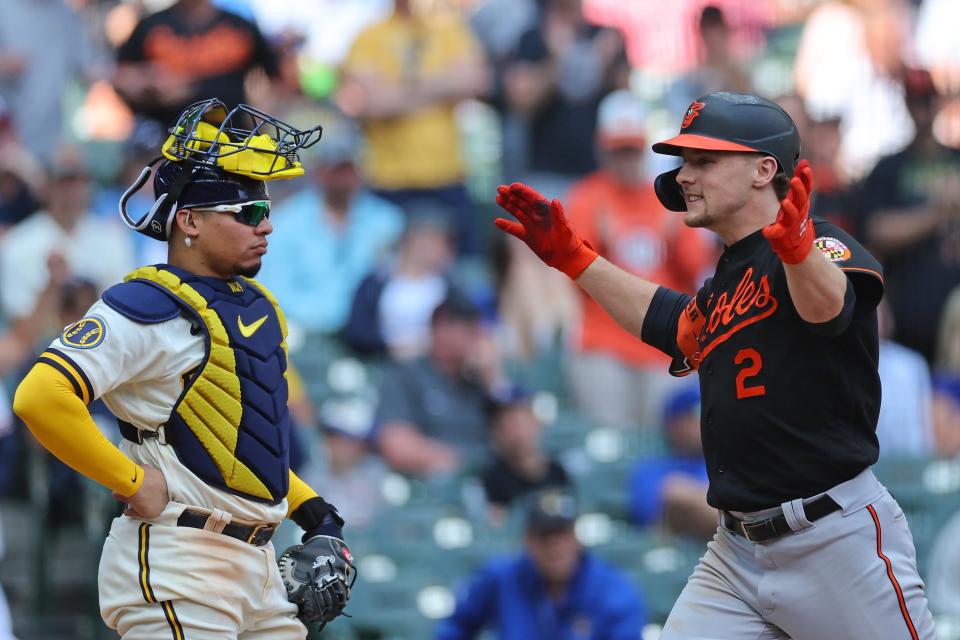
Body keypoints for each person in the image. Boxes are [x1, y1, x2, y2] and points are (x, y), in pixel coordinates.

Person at [494, 91, 936, 639]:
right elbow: (672, 325)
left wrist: (799, 250)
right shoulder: (725, 281)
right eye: (684, 162)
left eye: (704, 160)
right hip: (736, 553)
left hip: (833, 539)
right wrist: (576, 259)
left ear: (763, 170)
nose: (684, 175)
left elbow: (830, 309)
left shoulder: (819, 242)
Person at [12, 99, 353, 638]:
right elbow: (39, 396)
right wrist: (125, 479)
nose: (264, 226)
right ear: (189, 220)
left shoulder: (255, 308)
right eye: (248, 213)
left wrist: (315, 515)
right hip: (180, 563)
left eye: (266, 211)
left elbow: (234, 444)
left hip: (258, 570)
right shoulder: (146, 304)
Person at [565, 89, 713, 429]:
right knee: (612, 441)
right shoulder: (587, 198)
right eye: (619, 151)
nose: (626, 159)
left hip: (665, 341)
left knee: (671, 442)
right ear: (603, 149)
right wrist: (602, 243)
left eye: (632, 150)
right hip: (604, 339)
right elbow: (577, 281)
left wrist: (673, 240)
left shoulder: (670, 197)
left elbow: (697, 275)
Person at [436, 488, 645, 640]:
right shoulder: (501, 577)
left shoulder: (612, 589)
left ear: (575, 538)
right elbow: (455, 627)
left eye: (561, 535)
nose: (554, 547)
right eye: (544, 536)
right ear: (527, 541)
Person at [374, 291, 501, 476]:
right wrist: (463, 464)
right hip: (430, 488)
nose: (477, 337)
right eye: (468, 328)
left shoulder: (480, 382)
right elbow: (396, 445)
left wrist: (494, 381)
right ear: (440, 327)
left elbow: (515, 441)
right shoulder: (407, 375)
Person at [113, 0, 279, 129]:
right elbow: (120, 76)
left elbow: (275, 77)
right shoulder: (151, 25)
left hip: (231, 138)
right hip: (166, 138)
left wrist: (262, 114)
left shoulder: (240, 26)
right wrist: (149, 80)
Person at [629, 385, 714, 540]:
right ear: (673, 424)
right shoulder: (651, 469)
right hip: (677, 546)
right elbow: (654, 512)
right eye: (697, 414)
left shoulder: (725, 464)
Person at [481, 385, 569, 518]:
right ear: (496, 433)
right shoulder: (490, 481)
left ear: (536, 422)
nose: (517, 431)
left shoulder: (560, 473)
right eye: (505, 423)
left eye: (521, 420)